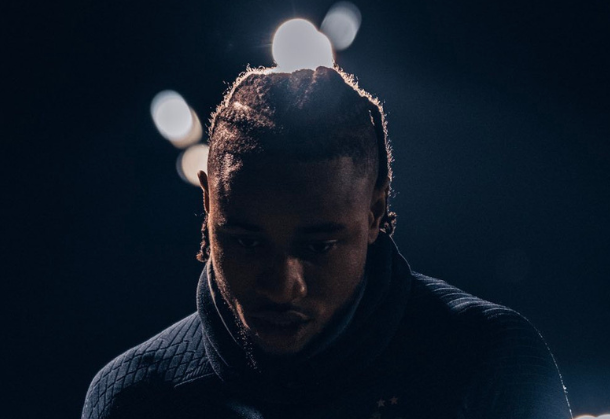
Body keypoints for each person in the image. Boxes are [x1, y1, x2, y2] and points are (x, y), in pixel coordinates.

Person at [81, 66, 572, 419]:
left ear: (376, 211)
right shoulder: (133, 398)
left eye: (318, 247)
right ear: (208, 203)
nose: (281, 286)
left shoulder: (488, 362)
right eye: (247, 242)